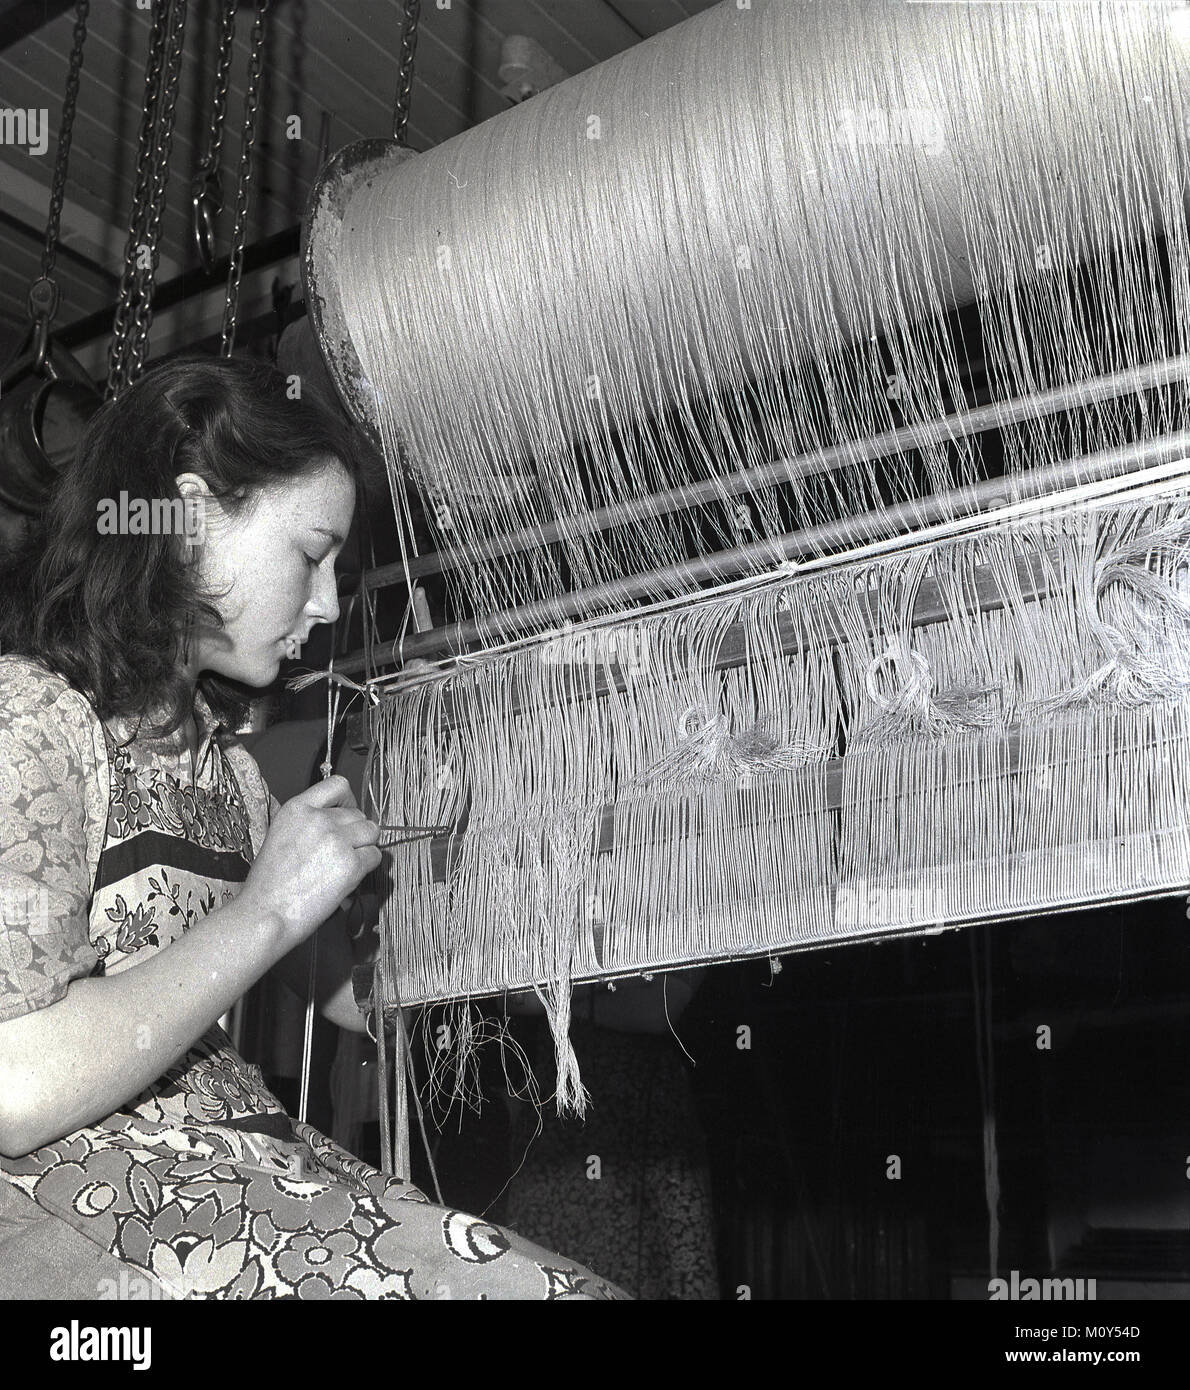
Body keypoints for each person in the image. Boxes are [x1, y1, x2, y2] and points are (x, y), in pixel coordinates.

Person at [0, 355, 625, 1301]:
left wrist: (536, 916)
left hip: (238, 1170)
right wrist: (271, 909)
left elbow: (352, 1001)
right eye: (311, 554)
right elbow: (14, 1089)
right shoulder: (29, 725)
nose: (329, 604)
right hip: (86, 1210)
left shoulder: (236, 782)